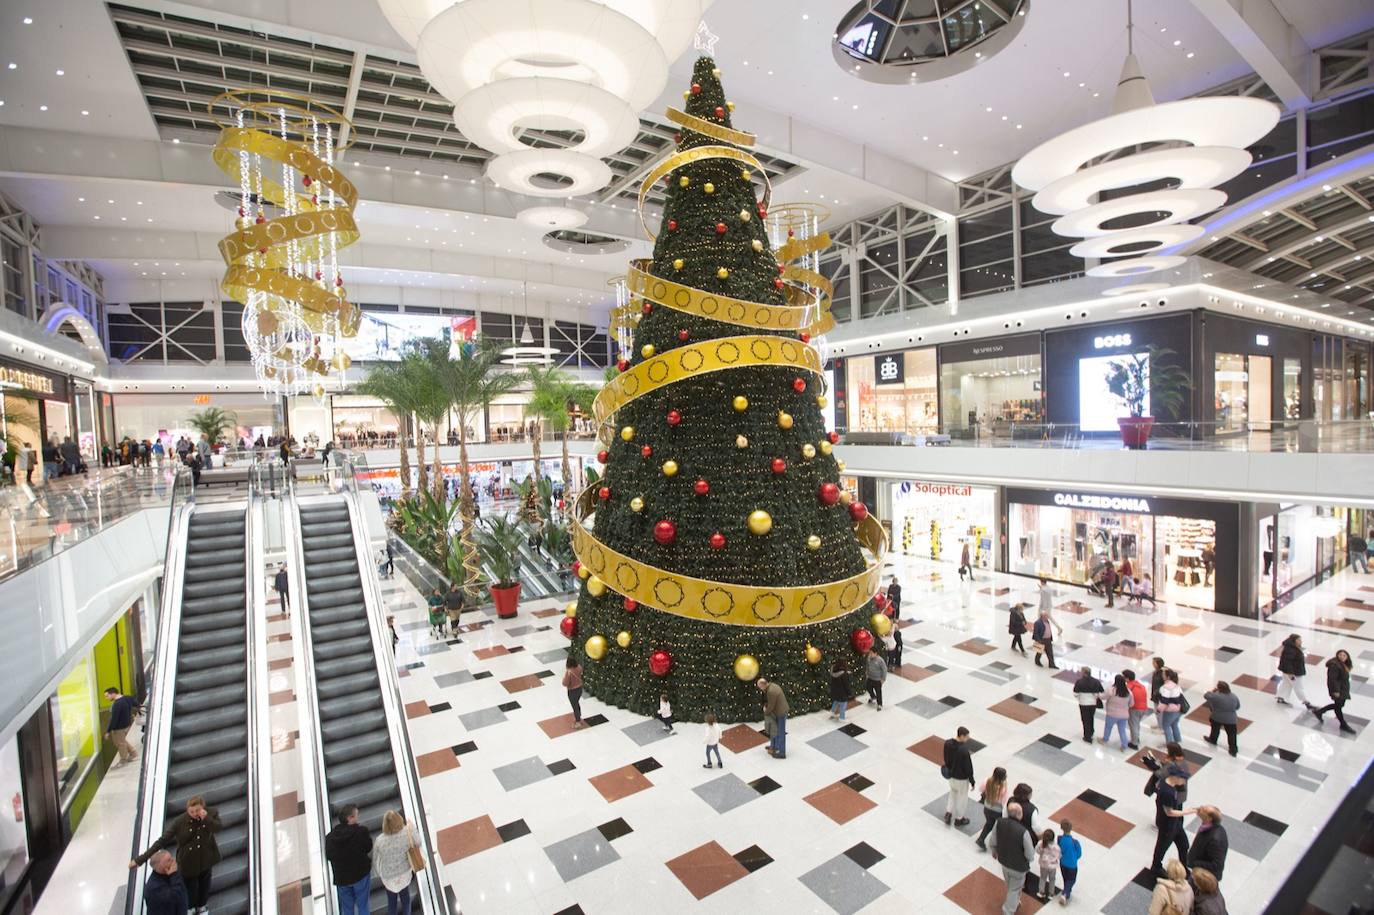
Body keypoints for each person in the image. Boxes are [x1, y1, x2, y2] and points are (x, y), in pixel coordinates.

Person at [131, 794, 221, 914]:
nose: (194, 814)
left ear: (203, 807)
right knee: (191, 887)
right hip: (188, 862)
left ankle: (202, 906)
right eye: (191, 811)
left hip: (206, 858)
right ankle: (190, 908)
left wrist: (206, 818)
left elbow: (218, 828)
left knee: (205, 883)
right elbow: (162, 841)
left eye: (197, 810)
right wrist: (140, 860)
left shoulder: (211, 813)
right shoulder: (180, 822)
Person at [325, 804, 373, 915]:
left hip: (342, 879)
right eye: (356, 815)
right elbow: (368, 847)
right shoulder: (361, 832)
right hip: (361, 876)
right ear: (349, 818)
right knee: (363, 905)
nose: (358, 817)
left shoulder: (330, 838)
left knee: (347, 908)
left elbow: (329, 856)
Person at [988, 801, 1034, 915]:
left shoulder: (999, 822)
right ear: (1019, 814)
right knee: (1014, 888)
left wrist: (994, 850)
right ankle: (1008, 910)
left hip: (1004, 861)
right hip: (1019, 867)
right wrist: (1029, 859)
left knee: (1011, 885)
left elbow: (993, 840)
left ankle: (1015, 902)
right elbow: (1030, 854)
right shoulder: (1024, 832)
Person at [371, 809, 417, 915]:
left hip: (388, 878)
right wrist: (412, 828)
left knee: (391, 902)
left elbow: (376, 861)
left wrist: (379, 873)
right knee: (406, 899)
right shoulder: (406, 832)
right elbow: (418, 842)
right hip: (404, 873)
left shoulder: (379, 841)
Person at [1151, 774, 1196, 877]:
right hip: (1167, 825)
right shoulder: (1168, 792)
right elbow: (1169, 812)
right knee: (1162, 846)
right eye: (1183, 780)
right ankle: (1156, 866)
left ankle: (1183, 866)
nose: (1184, 783)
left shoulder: (1170, 787)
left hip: (1175, 823)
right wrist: (1188, 811)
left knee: (1184, 844)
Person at [1313, 649, 1356, 733]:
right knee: (1338, 706)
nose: (1342, 657)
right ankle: (1343, 724)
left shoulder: (1342, 664)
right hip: (1338, 689)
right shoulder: (1335, 665)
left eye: (1344, 655)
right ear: (1337, 655)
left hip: (1343, 688)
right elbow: (1332, 679)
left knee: (1339, 705)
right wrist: (1336, 691)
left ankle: (1319, 712)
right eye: (1340, 655)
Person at [942, 726, 975, 827]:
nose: (967, 739)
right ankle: (959, 819)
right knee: (962, 798)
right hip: (961, 779)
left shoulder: (947, 743)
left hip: (951, 776)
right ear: (961, 736)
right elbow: (968, 767)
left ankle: (948, 813)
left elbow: (945, 757)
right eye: (966, 737)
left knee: (952, 793)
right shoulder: (964, 750)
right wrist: (972, 781)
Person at [1188, 806, 1229, 883]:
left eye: (1204, 810)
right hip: (1198, 870)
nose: (1200, 809)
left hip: (1206, 878)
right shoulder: (1207, 827)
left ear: (1209, 818)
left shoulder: (1215, 840)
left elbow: (1217, 864)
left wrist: (1195, 863)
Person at [143, 850, 189, 915]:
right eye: (169, 860)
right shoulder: (154, 888)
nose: (174, 860)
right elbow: (176, 897)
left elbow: (182, 890)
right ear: (160, 866)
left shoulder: (170, 873)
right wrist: (174, 875)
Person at [1275, 634, 1314, 709]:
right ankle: (1306, 702)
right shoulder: (1291, 650)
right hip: (1293, 673)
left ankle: (1280, 697)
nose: (1301, 641)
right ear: (1294, 640)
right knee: (1298, 687)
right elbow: (1287, 662)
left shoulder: (1291, 647)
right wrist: (1290, 673)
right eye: (1299, 640)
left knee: (1286, 684)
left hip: (1289, 672)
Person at [975, 766, 1009, 851]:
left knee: (989, 824)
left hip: (987, 807)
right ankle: (997, 844)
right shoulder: (1003, 787)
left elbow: (980, 789)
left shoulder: (987, 781)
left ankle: (981, 839)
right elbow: (1005, 801)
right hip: (997, 811)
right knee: (998, 827)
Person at [1202, 682, 1241, 756]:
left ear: (1219, 688)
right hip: (1231, 719)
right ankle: (1233, 749)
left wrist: (1213, 691)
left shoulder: (1216, 696)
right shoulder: (1234, 696)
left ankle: (1213, 740)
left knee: (1215, 729)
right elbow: (1238, 707)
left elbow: (1206, 695)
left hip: (1217, 717)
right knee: (1231, 734)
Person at [104, 686, 139, 766]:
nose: (106, 698)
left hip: (119, 727)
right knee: (122, 741)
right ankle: (134, 754)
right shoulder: (127, 698)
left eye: (107, 696)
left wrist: (108, 731)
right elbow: (136, 704)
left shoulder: (117, 704)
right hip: (127, 724)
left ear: (113, 694)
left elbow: (114, 719)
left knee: (120, 743)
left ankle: (123, 760)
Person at [1073, 667, 1104, 743]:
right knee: (1091, 717)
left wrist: (1080, 697)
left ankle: (1087, 737)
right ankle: (1091, 731)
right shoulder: (1096, 681)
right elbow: (1102, 691)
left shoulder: (1079, 682)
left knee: (1085, 719)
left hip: (1083, 703)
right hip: (1093, 703)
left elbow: (1075, 693)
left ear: (1083, 673)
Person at [758, 677, 788, 758]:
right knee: (774, 730)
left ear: (763, 685)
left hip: (781, 713)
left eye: (760, 687)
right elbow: (772, 702)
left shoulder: (771, 691)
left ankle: (782, 753)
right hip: (778, 711)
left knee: (781, 732)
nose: (760, 689)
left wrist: (765, 712)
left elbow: (771, 705)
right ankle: (774, 746)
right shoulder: (772, 685)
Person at [1157, 668, 1187, 744]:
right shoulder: (1177, 685)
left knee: (1166, 726)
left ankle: (1170, 744)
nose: (1162, 675)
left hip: (1170, 711)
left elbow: (1164, 701)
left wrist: (1159, 709)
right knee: (1174, 724)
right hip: (1179, 709)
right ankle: (1178, 739)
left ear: (1168, 677)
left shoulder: (1165, 688)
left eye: (1163, 674)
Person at [1102, 674, 1132, 751]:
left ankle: (1105, 739)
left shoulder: (1111, 690)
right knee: (1122, 730)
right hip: (1124, 715)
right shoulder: (1128, 692)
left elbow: (1103, 697)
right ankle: (1124, 745)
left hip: (1112, 714)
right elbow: (1131, 704)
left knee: (1108, 727)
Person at [1057, 820, 1082, 907]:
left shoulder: (1059, 839)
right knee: (1072, 879)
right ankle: (1064, 894)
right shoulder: (1075, 842)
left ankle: (1067, 892)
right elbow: (1079, 854)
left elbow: (1058, 850)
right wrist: (1074, 858)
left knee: (1066, 878)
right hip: (1072, 864)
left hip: (1062, 863)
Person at [1124, 669, 1149, 750]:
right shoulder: (1140, 685)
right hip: (1144, 708)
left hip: (1134, 709)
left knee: (1133, 725)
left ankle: (1134, 743)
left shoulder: (1128, 687)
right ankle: (1136, 738)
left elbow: (1126, 699)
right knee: (1137, 724)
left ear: (1127, 678)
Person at [1036, 828, 1060, 903]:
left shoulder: (1041, 844)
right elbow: (1058, 856)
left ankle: (1041, 892)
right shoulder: (1056, 847)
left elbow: (1037, 851)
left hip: (1043, 865)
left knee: (1043, 878)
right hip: (1052, 867)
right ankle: (1051, 894)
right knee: (1052, 879)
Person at [562, 657, 584, 729]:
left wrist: (563, 679)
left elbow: (565, 683)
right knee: (576, 703)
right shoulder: (579, 667)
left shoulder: (569, 672)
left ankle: (578, 721)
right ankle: (579, 716)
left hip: (572, 691)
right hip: (580, 689)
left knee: (574, 705)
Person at [864, 646, 887, 711]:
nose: (870, 654)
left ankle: (879, 704)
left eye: (871, 653)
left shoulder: (880, 660)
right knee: (868, 687)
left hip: (877, 679)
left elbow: (884, 670)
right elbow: (867, 665)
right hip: (870, 677)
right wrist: (867, 672)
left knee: (878, 692)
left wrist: (883, 679)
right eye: (869, 653)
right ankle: (873, 696)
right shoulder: (868, 658)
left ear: (875, 653)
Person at [1150, 657, 1168, 729]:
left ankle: (1161, 727)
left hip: (1161, 696)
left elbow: (1165, 685)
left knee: (1160, 712)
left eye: (1154, 662)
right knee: (1156, 711)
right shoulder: (1155, 672)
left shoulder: (1163, 673)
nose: (1153, 664)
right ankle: (1159, 724)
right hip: (1155, 695)